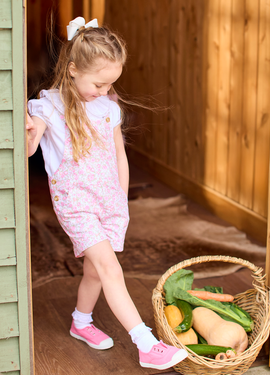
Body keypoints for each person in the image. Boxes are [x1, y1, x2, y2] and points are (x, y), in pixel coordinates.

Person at [26, 17, 188, 371]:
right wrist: (26, 130)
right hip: (76, 203)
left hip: (109, 201)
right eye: (99, 83)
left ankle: (81, 323)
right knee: (110, 268)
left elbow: (120, 156)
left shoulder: (108, 109)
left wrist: (122, 199)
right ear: (72, 70)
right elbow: (27, 148)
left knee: (96, 272)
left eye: (111, 83)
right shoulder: (47, 106)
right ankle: (146, 343)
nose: (105, 90)